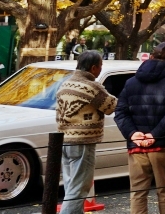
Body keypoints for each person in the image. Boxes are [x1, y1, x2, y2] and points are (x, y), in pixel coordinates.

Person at [114, 42, 165, 214]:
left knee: (138, 193)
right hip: (163, 143)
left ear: (151, 56)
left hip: (136, 146)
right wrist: (154, 135)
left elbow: (120, 112)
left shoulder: (131, 82)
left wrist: (133, 134)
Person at [56, 50, 117, 214]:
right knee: (79, 189)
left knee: (71, 186)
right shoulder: (91, 87)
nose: (100, 70)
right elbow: (111, 106)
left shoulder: (65, 84)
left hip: (64, 140)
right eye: (100, 66)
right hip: (83, 141)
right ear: (93, 68)